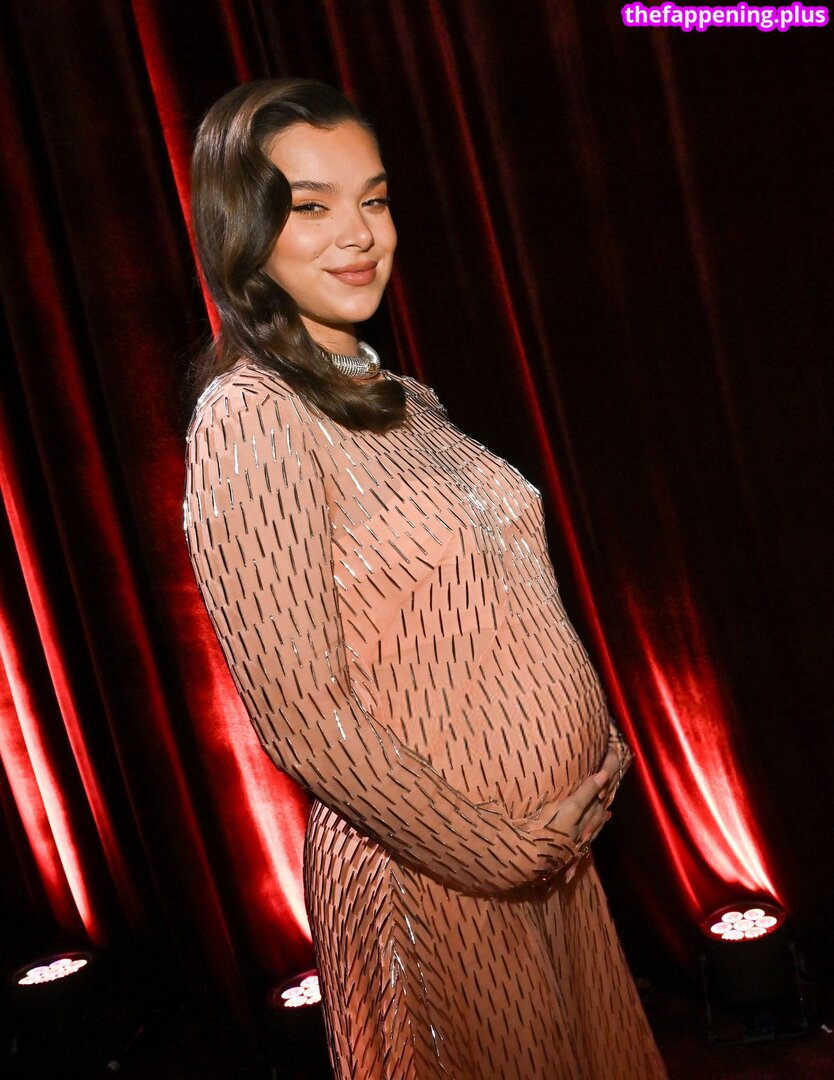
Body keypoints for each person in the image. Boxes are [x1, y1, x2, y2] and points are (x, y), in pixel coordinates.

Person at [183, 77, 667, 1080]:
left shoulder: (402, 394)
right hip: (434, 882)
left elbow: (506, 593)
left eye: (375, 197)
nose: (359, 234)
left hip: (546, 860)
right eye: (310, 207)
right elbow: (304, 717)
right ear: (244, 234)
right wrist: (490, 851)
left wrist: (593, 753)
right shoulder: (252, 415)